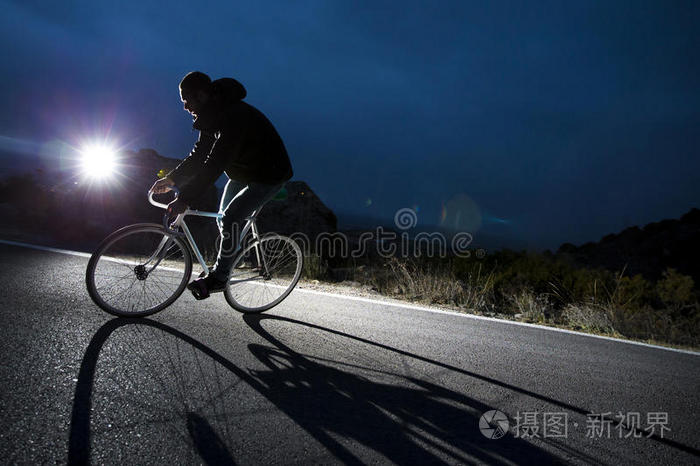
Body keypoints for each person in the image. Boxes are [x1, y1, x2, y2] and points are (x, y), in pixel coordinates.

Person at [151, 71, 293, 299]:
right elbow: (200, 155)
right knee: (223, 218)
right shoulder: (212, 115)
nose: (186, 107)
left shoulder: (234, 116)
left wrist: (184, 198)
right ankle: (232, 258)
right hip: (243, 172)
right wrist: (172, 178)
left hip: (269, 176)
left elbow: (214, 165)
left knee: (230, 218)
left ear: (201, 95)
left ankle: (219, 278)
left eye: (187, 100)